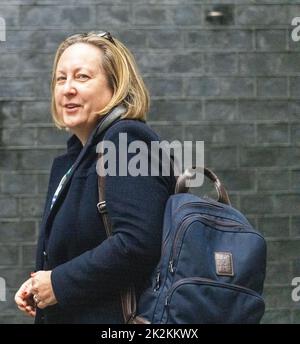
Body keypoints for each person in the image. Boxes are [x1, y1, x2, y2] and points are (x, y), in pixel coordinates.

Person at [14, 31, 176, 324]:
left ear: (116, 87)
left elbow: (137, 243)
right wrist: (41, 284)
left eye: (82, 77)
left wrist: (60, 283)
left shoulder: (126, 140)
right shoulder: (78, 157)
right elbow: (80, 247)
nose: (67, 88)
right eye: (61, 79)